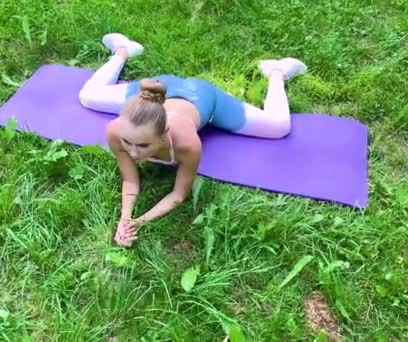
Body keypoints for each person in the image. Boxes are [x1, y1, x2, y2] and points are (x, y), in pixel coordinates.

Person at [78, 33, 308, 247]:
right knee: (86, 96)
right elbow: (130, 180)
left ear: (164, 133)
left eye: (144, 145)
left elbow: (179, 195)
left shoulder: (187, 143)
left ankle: (277, 71)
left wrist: (141, 221)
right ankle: (123, 49)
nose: (135, 154)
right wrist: (125, 218)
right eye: (129, 143)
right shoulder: (117, 130)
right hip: (159, 87)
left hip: (202, 97)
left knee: (279, 126)